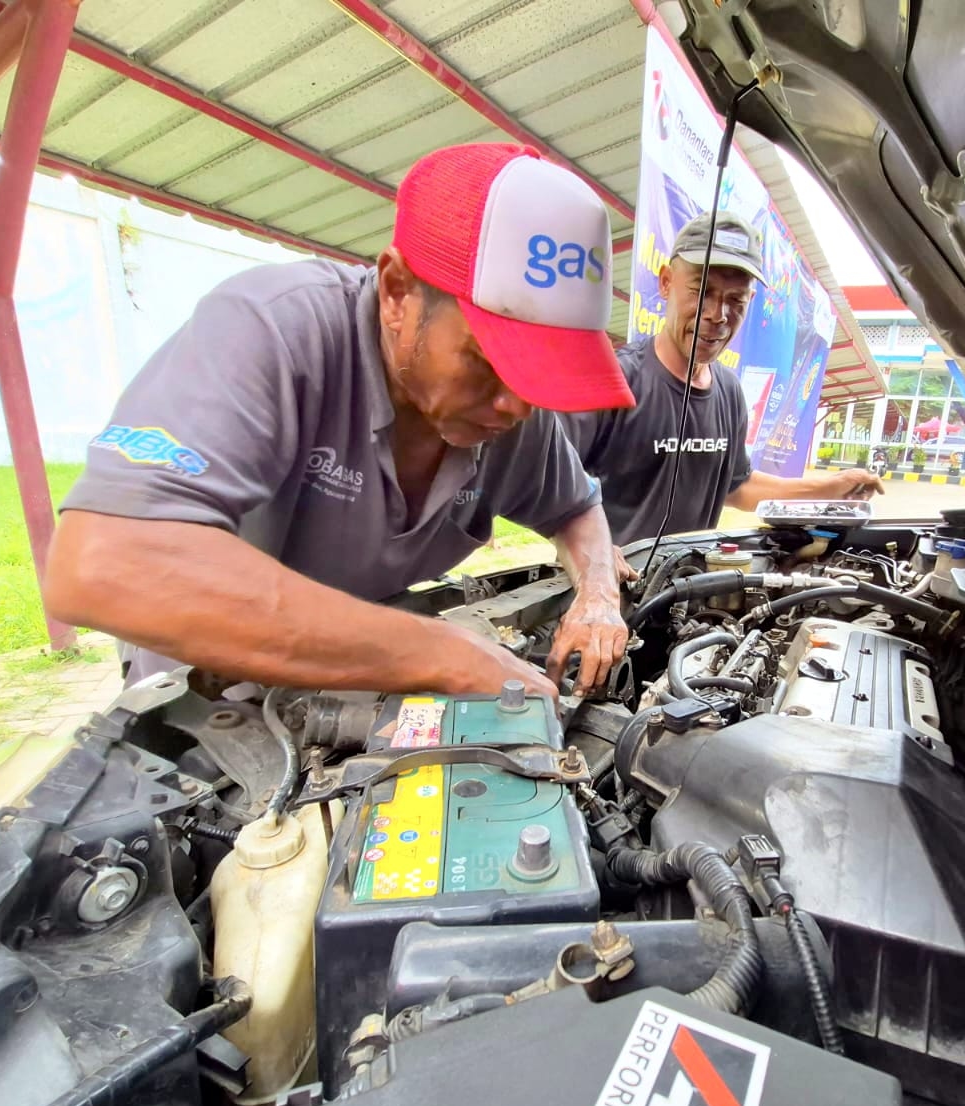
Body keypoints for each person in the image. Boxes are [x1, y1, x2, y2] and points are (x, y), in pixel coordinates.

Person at [44, 143, 635, 701]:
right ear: (398, 293)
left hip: (364, 683)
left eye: (539, 372)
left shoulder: (509, 413)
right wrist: (440, 651)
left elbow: (576, 509)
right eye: (487, 361)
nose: (517, 406)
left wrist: (598, 595)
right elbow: (105, 562)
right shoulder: (271, 329)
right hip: (215, 709)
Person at [558, 211, 882, 565]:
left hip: (688, 591)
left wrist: (830, 488)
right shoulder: (614, 379)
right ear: (666, 282)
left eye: (735, 301)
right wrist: (595, 554)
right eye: (702, 291)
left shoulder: (729, 391)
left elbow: (737, 486)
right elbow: (550, 483)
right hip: (608, 589)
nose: (718, 315)